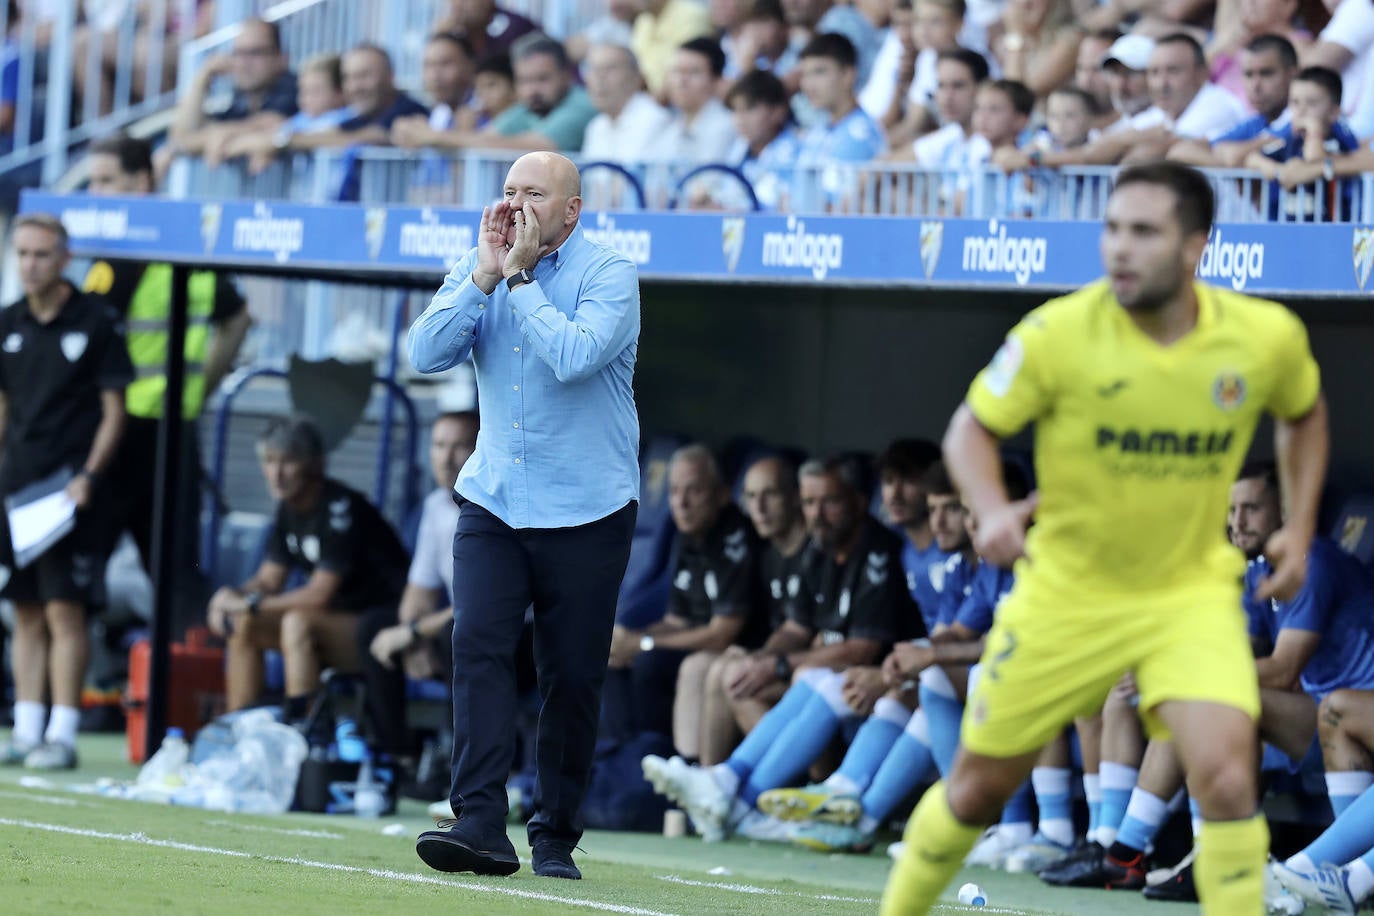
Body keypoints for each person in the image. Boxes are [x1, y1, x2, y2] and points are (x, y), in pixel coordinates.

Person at [881, 160, 1329, 916]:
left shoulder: (1262, 337)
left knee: (1224, 776)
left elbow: (1304, 411)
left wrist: (1304, 523)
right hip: (1066, 595)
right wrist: (989, 511)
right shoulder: (1058, 331)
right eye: (1113, 229)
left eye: (1144, 232)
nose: (1120, 248)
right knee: (977, 786)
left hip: (1189, 596)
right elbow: (969, 431)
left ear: (1196, 247)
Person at [408, 151, 640, 881]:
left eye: (533, 194)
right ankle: (478, 818)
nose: (515, 205)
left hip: (589, 507)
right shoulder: (481, 265)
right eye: (508, 191)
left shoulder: (609, 275)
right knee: (476, 643)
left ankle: (554, 833)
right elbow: (424, 352)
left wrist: (519, 277)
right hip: (496, 499)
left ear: (571, 210)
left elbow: (574, 356)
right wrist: (482, 275)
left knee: (571, 677)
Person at [83, 134, 252, 631]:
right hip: (168, 430)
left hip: (121, 433)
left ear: (141, 183)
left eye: (105, 181)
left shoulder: (123, 253)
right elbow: (238, 317)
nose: (95, 193)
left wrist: (197, 387)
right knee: (171, 575)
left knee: (86, 573)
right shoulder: (183, 241)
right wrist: (197, 387)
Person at [0, 214, 134, 770]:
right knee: (24, 609)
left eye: (40, 255)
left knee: (65, 610)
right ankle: (28, 728)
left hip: (70, 494)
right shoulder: (8, 322)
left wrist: (89, 477)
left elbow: (113, 411)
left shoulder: (96, 322)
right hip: (18, 491)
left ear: (64, 258)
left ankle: (65, 731)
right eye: (22, 254)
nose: (29, 265)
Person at [205, 416, 411, 720]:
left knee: (297, 622)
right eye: (269, 461)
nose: (276, 474)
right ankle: (241, 727)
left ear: (314, 465)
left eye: (288, 462)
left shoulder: (341, 508)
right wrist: (229, 597)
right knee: (244, 624)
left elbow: (318, 596)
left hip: (383, 630)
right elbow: (269, 579)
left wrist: (249, 603)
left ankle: (303, 732)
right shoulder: (289, 508)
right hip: (331, 628)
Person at [606, 443, 765, 744]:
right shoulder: (687, 535)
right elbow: (676, 620)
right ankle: (624, 757)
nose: (682, 503)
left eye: (694, 491)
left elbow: (723, 634)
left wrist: (646, 643)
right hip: (698, 643)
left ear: (722, 494)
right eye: (674, 492)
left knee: (648, 663)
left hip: (736, 650)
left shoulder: (736, 537)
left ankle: (659, 755)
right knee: (613, 656)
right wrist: (626, 639)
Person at [358, 411, 480, 763]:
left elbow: (486, 605)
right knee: (375, 628)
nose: (447, 457)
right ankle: (398, 758)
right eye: (439, 445)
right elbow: (420, 590)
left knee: (456, 632)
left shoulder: (496, 507)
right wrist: (411, 637)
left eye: (460, 446)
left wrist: (413, 632)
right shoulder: (436, 505)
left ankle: (459, 764)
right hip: (457, 628)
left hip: (516, 637)